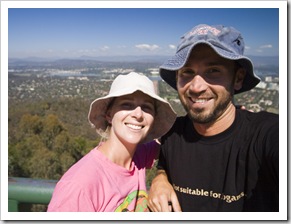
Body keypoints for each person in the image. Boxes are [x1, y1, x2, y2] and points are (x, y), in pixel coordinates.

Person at [148, 24, 279, 212]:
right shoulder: (172, 133)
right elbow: (165, 164)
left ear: (238, 78)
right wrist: (160, 178)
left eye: (213, 71)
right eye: (187, 72)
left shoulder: (266, 135)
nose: (196, 87)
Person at [47, 72, 176, 212]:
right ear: (109, 115)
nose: (138, 114)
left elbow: (173, 146)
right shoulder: (79, 187)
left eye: (146, 107)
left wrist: (161, 176)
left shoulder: (139, 154)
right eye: (127, 105)